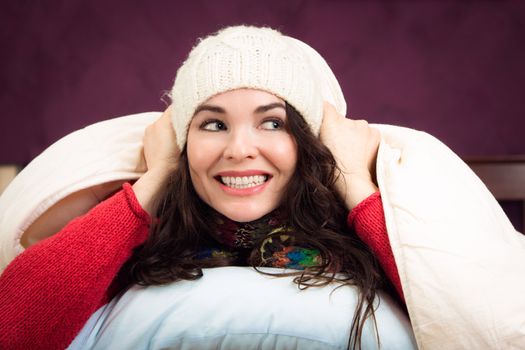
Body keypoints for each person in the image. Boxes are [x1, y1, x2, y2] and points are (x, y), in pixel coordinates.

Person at [0, 26, 402, 349]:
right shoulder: (148, 235)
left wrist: (354, 182)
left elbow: (449, 319)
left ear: (308, 141)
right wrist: (156, 176)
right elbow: (12, 333)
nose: (239, 150)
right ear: (183, 143)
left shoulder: (353, 231)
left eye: (273, 123)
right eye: (213, 124)